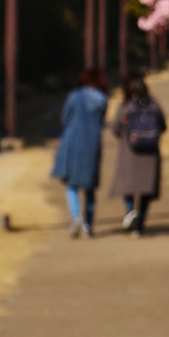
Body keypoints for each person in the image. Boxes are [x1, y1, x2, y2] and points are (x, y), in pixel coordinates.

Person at [52, 68, 108, 237]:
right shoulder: (102, 100)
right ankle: (88, 225)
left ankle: (76, 217)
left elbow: (65, 118)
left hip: (74, 142)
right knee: (90, 187)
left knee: (72, 185)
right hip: (93, 143)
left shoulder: (75, 96)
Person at [110, 74, 166, 233]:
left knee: (128, 188)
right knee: (145, 191)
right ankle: (139, 224)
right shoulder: (153, 104)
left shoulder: (125, 106)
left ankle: (130, 213)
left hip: (129, 154)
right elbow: (163, 126)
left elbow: (114, 129)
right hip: (150, 155)